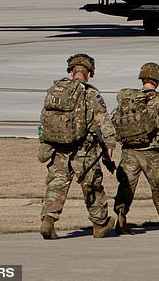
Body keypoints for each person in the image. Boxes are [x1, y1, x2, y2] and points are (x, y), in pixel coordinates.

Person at [38, 53, 118, 240]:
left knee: (57, 185)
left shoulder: (56, 91)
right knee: (92, 186)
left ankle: (48, 220)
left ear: (71, 71)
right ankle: (100, 224)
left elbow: (44, 120)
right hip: (83, 150)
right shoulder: (91, 94)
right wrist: (110, 144)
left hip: (58, 149)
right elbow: (104, 122)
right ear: (89, 73)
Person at [113, 62, 159, 235]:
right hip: (150, 150)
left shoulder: (129, 98)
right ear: (158, 80)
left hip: (129, 149)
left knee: (126, 185)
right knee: (158, 185)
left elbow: (116, 120)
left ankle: (121, 216)